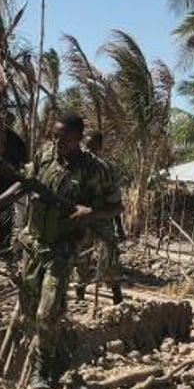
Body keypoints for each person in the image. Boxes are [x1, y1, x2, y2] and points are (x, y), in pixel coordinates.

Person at [0, 114, 123, 389]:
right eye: (54, 136)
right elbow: (25, 184)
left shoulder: (97, 170)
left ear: (78, 139)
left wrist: (90, 213)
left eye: (65, 139)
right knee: (31, 311)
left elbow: (117, 208)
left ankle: (41, 374)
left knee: (48, 312)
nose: (58, 143)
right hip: (33, 245)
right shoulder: (45, 155)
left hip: (62, 248)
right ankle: (52, 351)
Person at [73, 130, 124, 305]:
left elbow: (115, 201)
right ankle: (79, 295)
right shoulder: (74, 166)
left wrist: (120, 228)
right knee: (81, 257)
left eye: (93, 147)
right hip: (81, 219)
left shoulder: (107, 168)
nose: (89, 151)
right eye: (87, 146)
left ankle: (117, 295)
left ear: (100, 147)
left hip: (102, 218)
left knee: (110, 256)